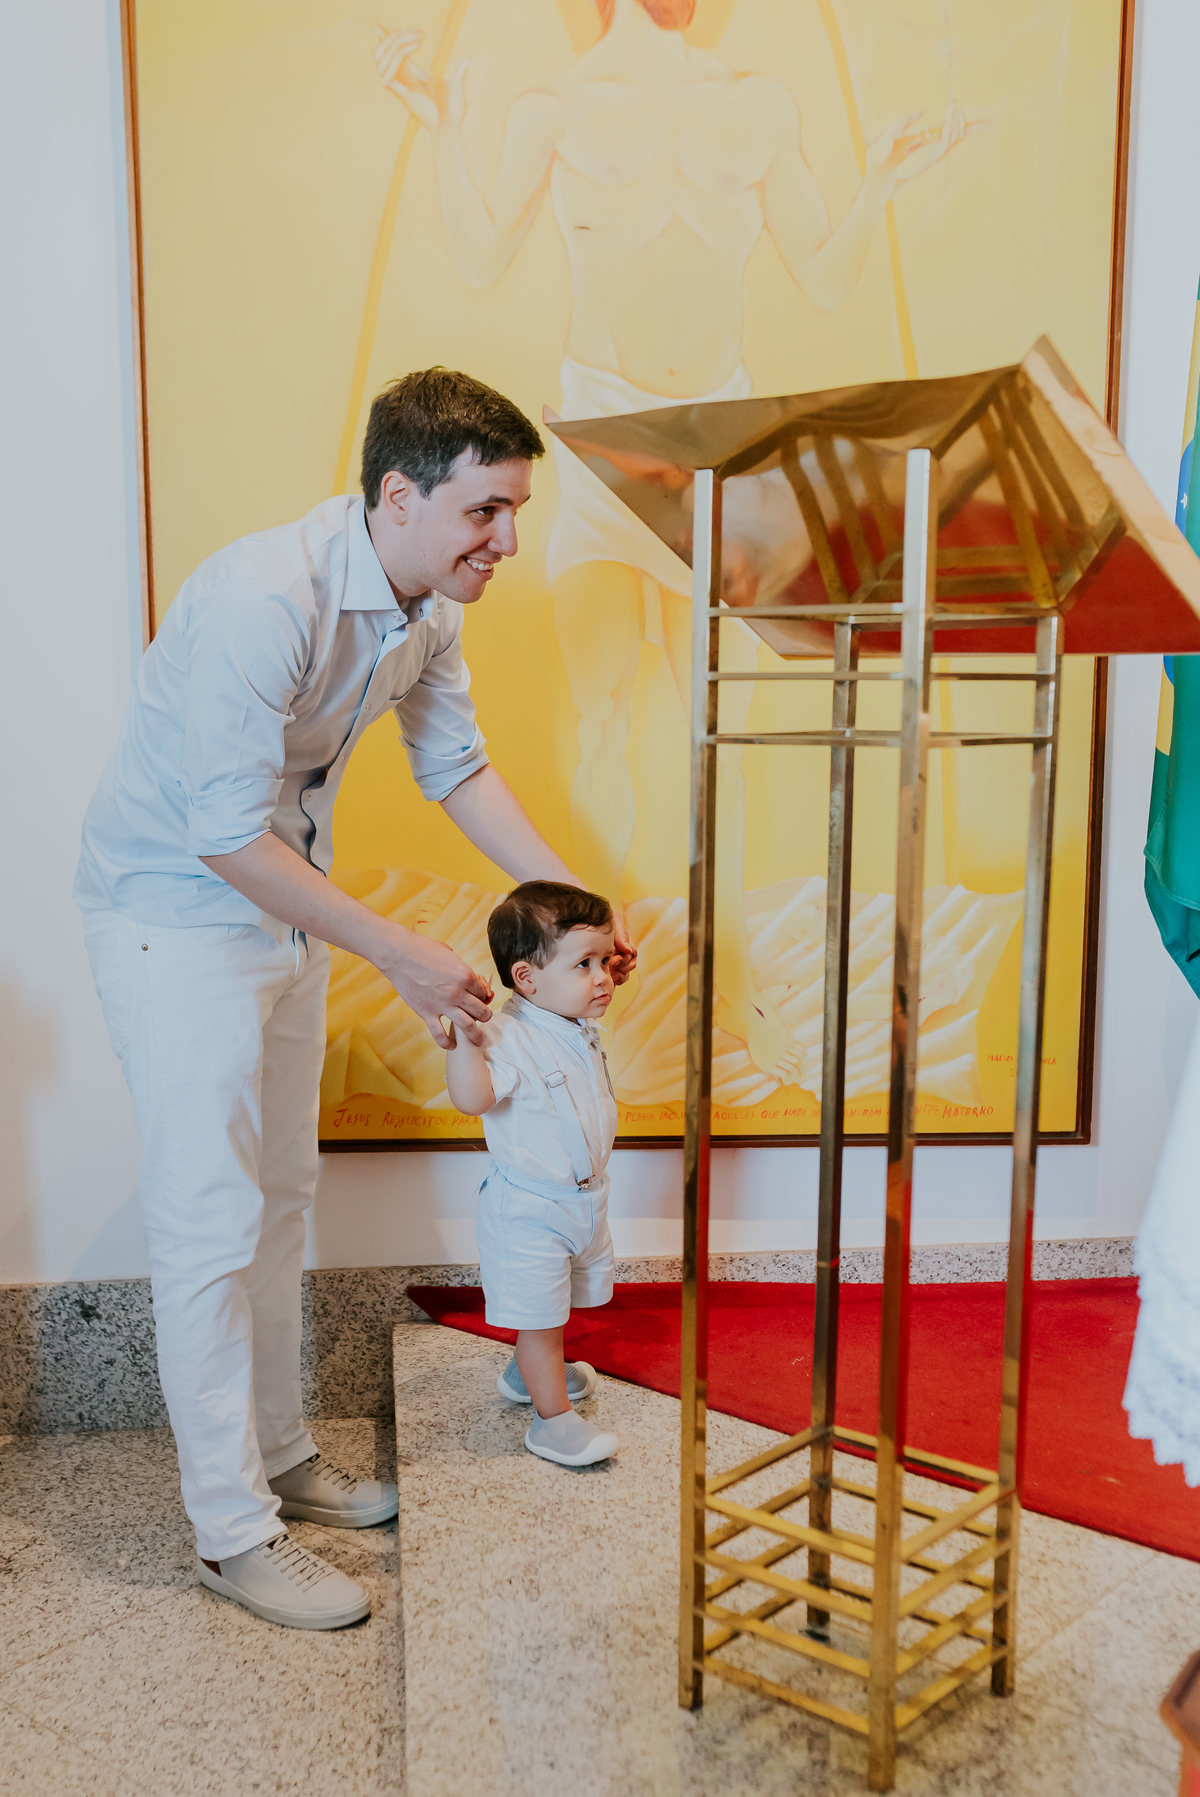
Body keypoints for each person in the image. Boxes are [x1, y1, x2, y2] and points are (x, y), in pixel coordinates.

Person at [75, 369, 635, 1628]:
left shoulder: (425, 611)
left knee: (280, 1197)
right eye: (486, 511)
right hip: (176, 916)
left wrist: (580, 902)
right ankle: (229, 1534)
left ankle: (278, 1461)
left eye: (515, 513)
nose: (506, 542)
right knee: (211, 1224)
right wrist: (399, 951)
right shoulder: (257, 598)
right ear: (399, 493)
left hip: (282, 909)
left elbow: (461, 768)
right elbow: (223, 833)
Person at [375, 0, 964, 1085]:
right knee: (603, 715)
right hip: (599, 439)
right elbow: (475, 254)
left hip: (721, 447)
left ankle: (734, 998)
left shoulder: (757, 106)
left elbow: (824, 279)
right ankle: (581, 991)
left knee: (719, 745)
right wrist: (438, 126)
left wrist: (879, 179)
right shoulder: (554, 105)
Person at [445, 881, 621, 1467]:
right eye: (585, 964)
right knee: (543, 1318)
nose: (603, 978)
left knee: (557, 1303)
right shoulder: (506, 1035)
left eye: (604, 962)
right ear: (526, 978)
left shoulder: (572, 1024)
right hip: (530, 1209)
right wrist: (463, 1046)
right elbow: (474, 1099)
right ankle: (553, 1425)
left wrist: (587, 962)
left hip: (580, 1202)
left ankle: (527, 1377)